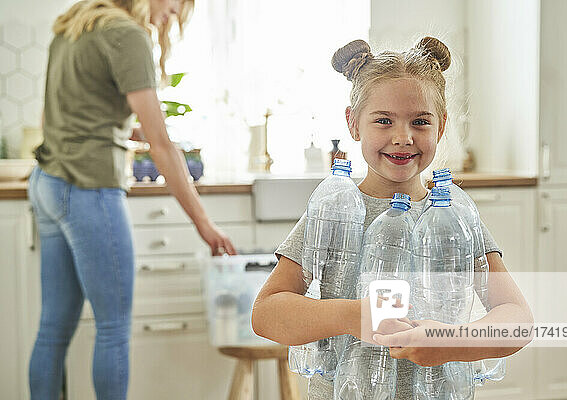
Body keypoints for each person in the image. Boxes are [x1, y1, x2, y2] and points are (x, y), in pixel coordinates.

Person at [251, 38, 533, 399]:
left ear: (441, 127)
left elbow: (517, 320)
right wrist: (354, 316)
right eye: (383, 121)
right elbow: (266, 313)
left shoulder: (455, 217)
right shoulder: (333, 212)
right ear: (353, 123)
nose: (403, 137)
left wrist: (449, 342)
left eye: (420, 122)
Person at [28, 0, 237, 399]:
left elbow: (63, 115)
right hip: (88, 186)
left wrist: (122, 131)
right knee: (113, 327)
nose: (174, 15)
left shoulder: (74, 23)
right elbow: (162, 145)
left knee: (53, 328)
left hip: (48, 182)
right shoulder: (127, 34)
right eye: (176, 4)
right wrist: (204, 224)